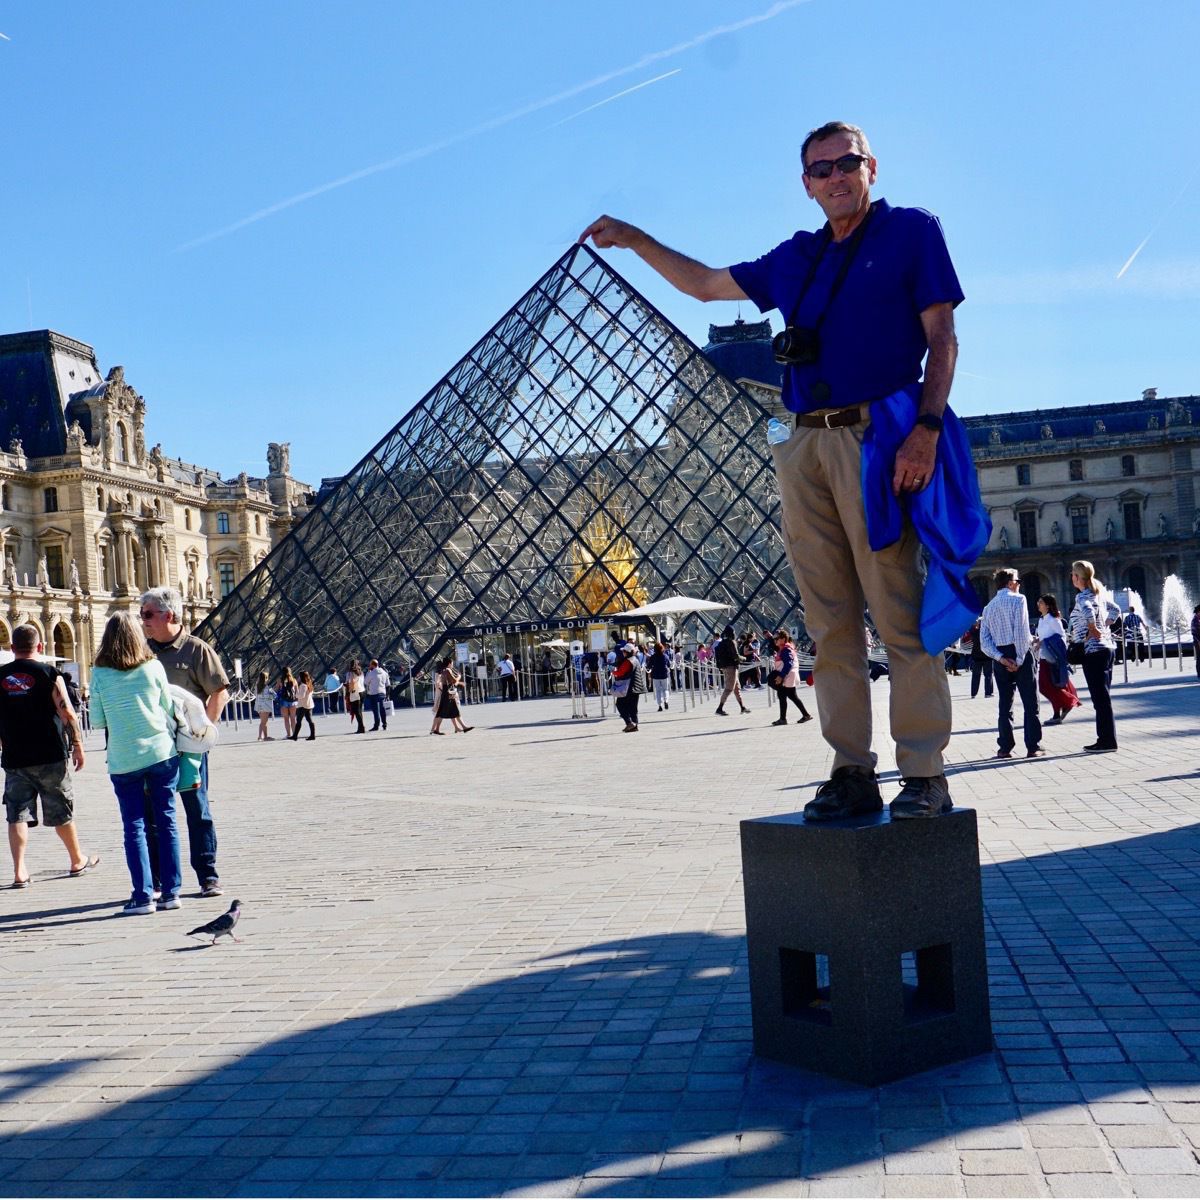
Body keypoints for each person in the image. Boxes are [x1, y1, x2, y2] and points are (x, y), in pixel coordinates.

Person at [580, 118, 977, 820]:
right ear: (805, 183)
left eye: (845, 163)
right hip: (799, 443)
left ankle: (924, 772)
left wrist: (926, 430)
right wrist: (638, 240)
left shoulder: (912, 231)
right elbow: (703, 285)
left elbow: (942, 339)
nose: (834, 177)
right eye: (820, 169)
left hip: (876, 437)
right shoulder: (796, 257)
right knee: (828, 622)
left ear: (871, 166)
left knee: (896, 609)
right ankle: (851, 769)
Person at [89, 613, 182, 915]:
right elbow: (168, 707)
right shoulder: (153, 666)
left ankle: (143, 896)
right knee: (166, 820)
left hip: (124, 757)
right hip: (160, 753)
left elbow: (97, 720)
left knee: (134, 826)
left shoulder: (100, 673)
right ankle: (171, 893)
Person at [139, 586, 228, 898]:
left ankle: (208, 875)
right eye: (142, 615)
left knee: (197, 809)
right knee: (153, 815)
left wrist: (204, 733)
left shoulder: (196, 649)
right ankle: (160, 880)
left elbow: (219, 692)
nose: (143, 620)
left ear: (170, 614)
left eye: (148, 614)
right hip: (154, 748)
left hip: (189, 747)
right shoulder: (141, 652)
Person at [0, 623, 96, 889]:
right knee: (60, 809)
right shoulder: (50, 673)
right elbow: (67, 713)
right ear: (39, 647)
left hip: (15, 757)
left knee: (16, 814)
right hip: (50, 754)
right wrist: (77, 744)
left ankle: (19, 872)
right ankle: (77, 860)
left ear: (12, 648)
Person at [979, 569, 1043, 759]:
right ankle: (1033, 746)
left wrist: (999, 658)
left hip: (1001, 657)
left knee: (1005, 703)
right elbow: (1021, 631)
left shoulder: (988, 608)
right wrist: (1020, 659)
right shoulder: (1019, 599)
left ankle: (1005, 748)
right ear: (1009, 583)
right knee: (1031, 703)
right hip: (1019, 652)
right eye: (1018, 580)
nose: (1019, 584)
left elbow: (984, 641)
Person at [1068, 560, 1120, 753]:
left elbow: (1088, 610)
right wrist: (1105, 625)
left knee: (1100, 700)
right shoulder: (1099, 594)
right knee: (1103, 698)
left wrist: (1093, 627)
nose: (1071, 577)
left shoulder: (1082, 597)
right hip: (1107, 649)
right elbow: (1114, 609)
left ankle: (1106, 741)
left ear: (1078, 577)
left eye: (1072, 574)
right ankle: (1106, 739)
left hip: (1093, 651)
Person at [1034, 595, 1079, 724]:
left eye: (1041, 602)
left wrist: (1044, 642)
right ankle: (1061, 708)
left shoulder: (1054, 620)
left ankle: (1066, 704)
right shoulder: (1041, 620)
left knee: (1049, 685)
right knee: (1047, 686)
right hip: (1044, 656)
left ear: (1047, 605)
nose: (1038, 604)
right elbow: (1043, 636)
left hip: (1052, 657)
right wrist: (1038, 640)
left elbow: (1061, 638)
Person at [770, 630, 813, 727]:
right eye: (774, 639)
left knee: (787, 695)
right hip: (788, 675)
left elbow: (789, 663)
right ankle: (802, 715)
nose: (775, 641)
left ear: (783, 639)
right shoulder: (785, 648)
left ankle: (786, 718)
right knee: (787, 695)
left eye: (777, 639)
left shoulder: (786, 649)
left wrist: (781, 676)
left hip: (787, 676)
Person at [714, 625, 750, 716]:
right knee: (729, 688)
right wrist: (744, 658)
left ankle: (742, 707)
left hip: (726, 667)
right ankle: (719, 708)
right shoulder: (731, 642)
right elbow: (736, 656)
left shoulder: (722, 642)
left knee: (736, 688)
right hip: (731, 668)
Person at [431, 658, 471, 735]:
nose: (452, 664)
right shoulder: (448, 670)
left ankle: (461, 727)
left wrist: (459, 683)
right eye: (452, 663)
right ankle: (463, 727)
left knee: (446, 711)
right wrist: (459, 676)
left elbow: (450, 682)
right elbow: (454, 681)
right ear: (449, 663)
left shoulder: (443, 671)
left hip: (446, 693)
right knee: (450, 711)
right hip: (448, 693)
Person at [611, 644, 646, 732]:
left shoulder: (628, 661)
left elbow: (620, 672)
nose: (622, 653)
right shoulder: (635, 659)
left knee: (620, 704)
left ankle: (629, 723)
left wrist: (613, 672)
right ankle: (635, 725)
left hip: (629, 687)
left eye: (623, 651)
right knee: (633, 707)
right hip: (637, 686)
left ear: (627, 652)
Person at [967, 618, 994, 700]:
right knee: (988, 675)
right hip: (987, 656)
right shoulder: (988, 632)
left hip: (976, 656)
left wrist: (975, 624)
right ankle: (988, 693)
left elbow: (970, 630)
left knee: (975, 676)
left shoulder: (974, 632)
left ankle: (973, 693)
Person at [364, 659, 390, 731]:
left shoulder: (371, 673)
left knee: (375, 710)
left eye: (370, 664)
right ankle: (384, 724)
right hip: (382, 693)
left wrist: (368, 672)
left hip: (373, 693)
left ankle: (376, 725)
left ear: (372, 665)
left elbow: (365, 682)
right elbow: (388, 685)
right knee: (382, 709)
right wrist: (387, 695)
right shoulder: (384, 673)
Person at [292, 671, 317, 740]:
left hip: (302, 705)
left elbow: (301, 696)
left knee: (299, 720)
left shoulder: (303, 685)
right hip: (309, 704)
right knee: (310, 720)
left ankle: (295, 736)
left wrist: (295, 693)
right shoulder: (309, 684)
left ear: (301, 677)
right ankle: (312, 735)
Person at [648, 641, 672, 711]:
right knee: (665, 689)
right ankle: (666, 701)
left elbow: (649, 666)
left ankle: (659, 705)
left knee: (658, 691)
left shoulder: (653, 657)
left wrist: (649, 668)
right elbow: (669, 665)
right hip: (664, 674)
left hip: (656, 675)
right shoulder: (665, 656)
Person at [253, 670, 276, 741]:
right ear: (266, 678)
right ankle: (265, 737)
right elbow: (274, 696)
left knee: (262, 721)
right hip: (266, 706)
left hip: (259, 706)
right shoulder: (268, 687)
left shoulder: (257, 687)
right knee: (264, 722)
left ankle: (260, 736)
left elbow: (255, 695)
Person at [345, 660, 366, 733]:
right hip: (362, 691)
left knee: (356, 711)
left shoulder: (350, 673)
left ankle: (361, 727)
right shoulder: (361, 672)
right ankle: (360, 727)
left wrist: (349, 691)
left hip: (355, 692)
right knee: (359, 711)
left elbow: (350, 682)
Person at [278, 668, 298, 740]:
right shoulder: (294, 680)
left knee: (286, 719)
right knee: (293, 718)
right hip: (293, 701)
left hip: (284, 701)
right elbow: (297, 691)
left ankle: (288, 735)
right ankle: (294, 734)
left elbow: (278, 689)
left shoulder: (280, 680)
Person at [1192, 605, 1200, 679]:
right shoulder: (1195, 620)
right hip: (1198, 642)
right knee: (1199, 658)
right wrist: (1199, 642)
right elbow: (1194, 633)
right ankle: (1199, 674)